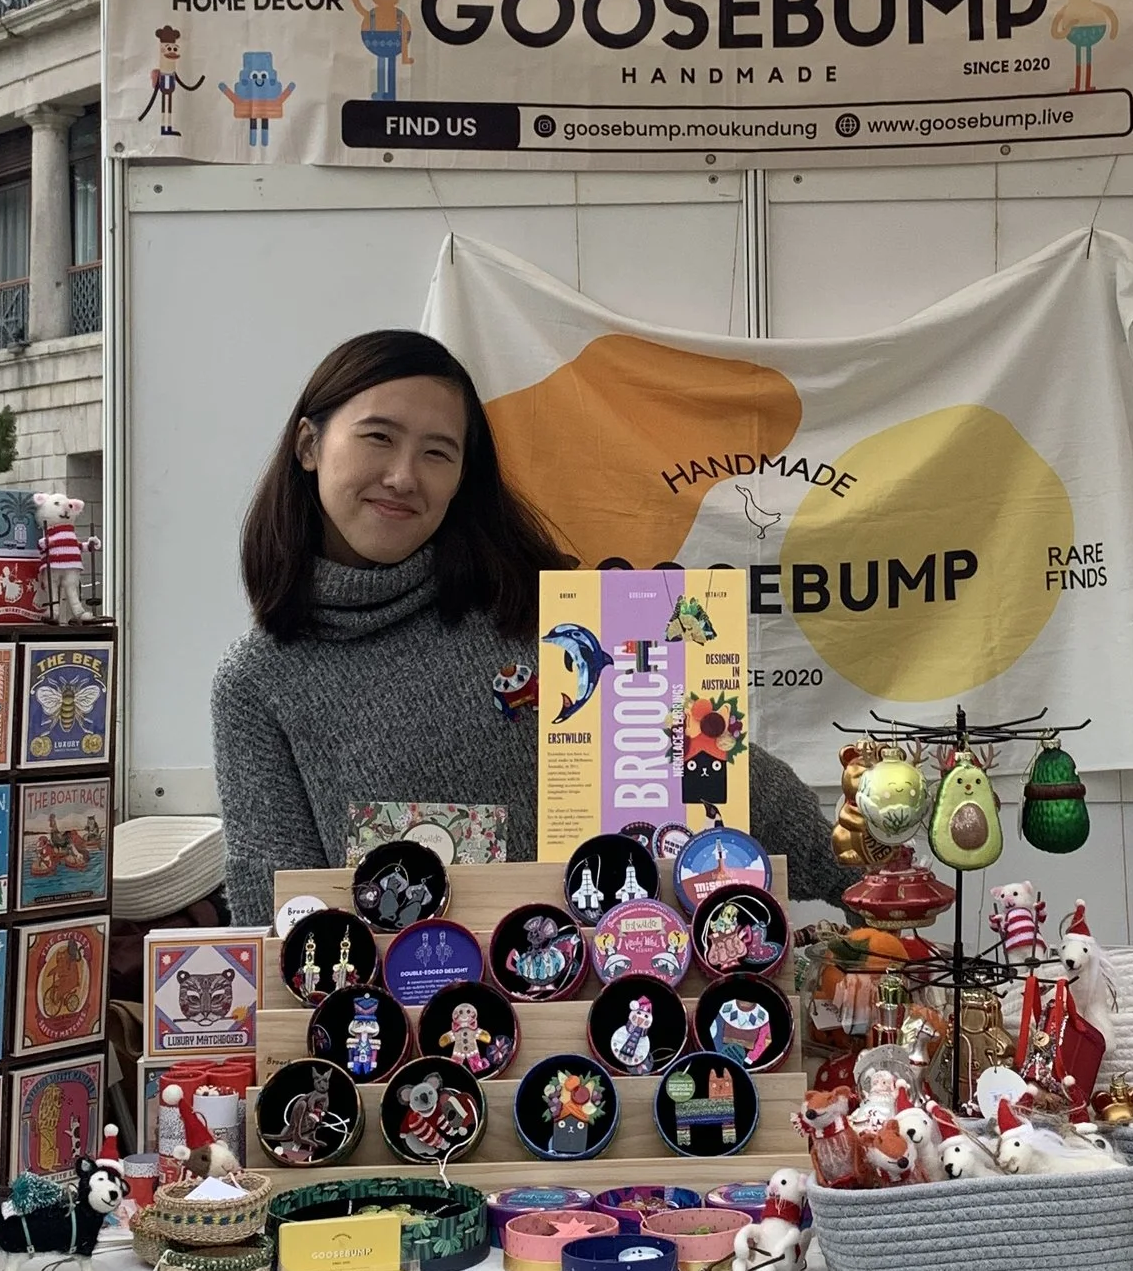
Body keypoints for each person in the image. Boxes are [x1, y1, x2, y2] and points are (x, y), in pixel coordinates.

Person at [211, 329, 846, 916]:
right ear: (308, 445)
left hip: (627, 1002)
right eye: (378, 437)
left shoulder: (547, 612)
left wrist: (858, 868)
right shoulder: (259, 681)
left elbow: (711, 767)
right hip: (414, 1031)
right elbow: (274, 910)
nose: (403, 476)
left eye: (438, 452)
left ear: (462, 478)